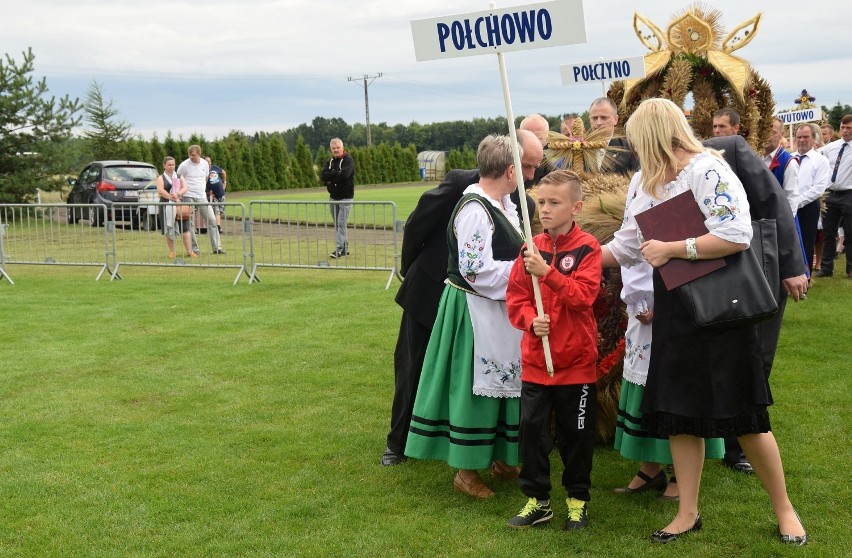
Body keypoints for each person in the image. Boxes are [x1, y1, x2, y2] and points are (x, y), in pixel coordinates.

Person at [601, 98, 806, 545]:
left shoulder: (707, 170)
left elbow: (736, 234)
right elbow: (628, 244)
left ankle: (785, 510)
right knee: (680, 415)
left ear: (655, 134)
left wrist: (674, 249)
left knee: (748, 417)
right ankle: (687, 512)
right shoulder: (644, 179)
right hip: (674, 312)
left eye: (637, 138)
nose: (634, 149)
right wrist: (573, 258)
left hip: (721, 309)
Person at [381, 132, 539, 467]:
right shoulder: (463, 190)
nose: (530, 176)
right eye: (525, 167)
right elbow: (417, 225)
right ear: (509, 166)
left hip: (484, 301)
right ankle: (398, 443)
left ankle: (484, 448)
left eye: (535, 167)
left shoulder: (520, 202)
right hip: (432, 287)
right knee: (416, 366)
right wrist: (411, 271)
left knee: (464, 375)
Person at [612, 180, 724, 502]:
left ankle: (679, 473)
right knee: (643, 378)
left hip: (683, 295)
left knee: (677, 382)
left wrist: (659, 299)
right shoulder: (638, 181)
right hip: (644, 295)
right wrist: (638, 299)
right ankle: (650, 467)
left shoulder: (692, 177)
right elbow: (630, 241)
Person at [504, 170, 601, 530]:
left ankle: (577, 500)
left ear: (575, 207)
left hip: (575, 363)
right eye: (541, 202)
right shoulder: (530, 247)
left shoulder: (588, 247)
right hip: (536, 363)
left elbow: (584, 297)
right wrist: (531, 321)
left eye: (553, 203)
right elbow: (516, 298)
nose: (544, 209)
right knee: (531, 433)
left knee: (576, 437)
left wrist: (548, 273)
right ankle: (537, 501)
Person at [814, 114, 852, 278]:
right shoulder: (831, 147)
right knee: (829, 232)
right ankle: (826, 267)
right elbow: (820, 164)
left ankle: (850, 268)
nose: (845, 131)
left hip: (849, 193)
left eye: (849, 128)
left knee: (850, 233)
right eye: (843, 127)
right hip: (830, 193)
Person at [793, 124, 831, 274]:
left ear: (814, 139)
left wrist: (798, 202)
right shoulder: (790, 158)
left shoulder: (821, 161)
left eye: (806, 137)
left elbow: (818, 188)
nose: (802, 140)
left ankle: (805, 278)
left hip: (808, 207)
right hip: (789, 207)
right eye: (799, 137)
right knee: (790, 243)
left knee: (806, 243)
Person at [177, 145, 225, 255]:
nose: (191, 157)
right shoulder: (183, 165)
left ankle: (217, 248)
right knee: (190, 223)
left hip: (202, 197)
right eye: (189, 155)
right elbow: (178, 179)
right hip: (188, 196)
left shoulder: (204, 164)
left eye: (193, 155)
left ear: (199, 154)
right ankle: (194, 249)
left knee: (212, 220)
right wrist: (179, 195)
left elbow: (206, 177)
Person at [320, 138, 355, 259]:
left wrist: (331, 177)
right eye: (333, 148)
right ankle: (345, 248)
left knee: (341, 224)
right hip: (333, 198)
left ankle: (339, 249)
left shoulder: (348, 160)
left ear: (342, 147)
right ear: (331, 149)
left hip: (346, 198)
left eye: (337, 147)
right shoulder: (329, 161)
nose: (336, 150)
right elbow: (323, 176)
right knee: (337, 224)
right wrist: (336, 174)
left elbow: (345, 175)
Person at [588, 97, 639, 175]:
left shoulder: (629, 149)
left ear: (616, 119)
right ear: (589, 119)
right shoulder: (579, 149)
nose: (598, 122)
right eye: (594, 118)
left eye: (604, 118)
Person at [155, 156, 193, 259]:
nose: (171, 167)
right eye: (169, 165)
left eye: (173, 164)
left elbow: (185, 187)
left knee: (185, 229)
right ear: (164, 166)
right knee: (168, 229)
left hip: (180, 204)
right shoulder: (161, 178)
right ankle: (172, 251)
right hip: (166, 205)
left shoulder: (179, 176)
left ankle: (189, 252)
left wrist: (179, 194)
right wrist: (172, 198)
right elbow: (160, 190)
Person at [761, 117, 800, 214]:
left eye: (772, 132)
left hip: (778, 218)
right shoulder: (753, 157)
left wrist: (785, 224)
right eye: (764, 131)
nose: (767, 136)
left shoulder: (789, 162)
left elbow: (791, 198)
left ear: (781, 135)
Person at [204, 156, 227, 233]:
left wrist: (224, 182)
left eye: (210, 161)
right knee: (215, 211)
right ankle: (217, 228)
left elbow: (223, 172)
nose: (209, 163)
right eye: (207, 162)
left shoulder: (214, 168)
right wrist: (206, 192)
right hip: (211, 195)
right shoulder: (203, 171)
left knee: (220, 211)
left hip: (221, 193)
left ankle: (217, 226)